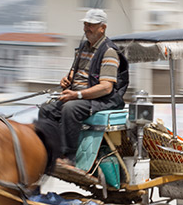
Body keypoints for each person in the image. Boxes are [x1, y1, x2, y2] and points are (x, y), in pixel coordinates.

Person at [38, 9, 128, 167]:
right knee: (46, 110)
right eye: (86, 24)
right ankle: (48, 150)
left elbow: (106, 88)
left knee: (70, 108)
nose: (87, 28)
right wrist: (67, 80)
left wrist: (77, 95)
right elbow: (77, 72)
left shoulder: (109, 52)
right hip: (78, 94)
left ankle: (69, 156)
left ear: (103, 28)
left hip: (101, 99)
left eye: (91, 25)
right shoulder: (84, 47)